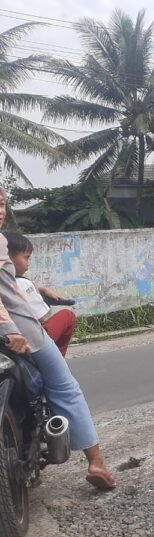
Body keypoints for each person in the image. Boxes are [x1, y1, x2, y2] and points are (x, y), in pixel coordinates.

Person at [0, 188, 115, 489]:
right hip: (20, 331)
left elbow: (8, 283)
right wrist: (9, 328)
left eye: (2, 204)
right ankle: (96, 461)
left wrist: (37, 289)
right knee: (65, 387)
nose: (1, 211)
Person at [5, 232, 77, 357]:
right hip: (29, 340)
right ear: (9, 259)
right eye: (26, 257)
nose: (28, 262)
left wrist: (39, 290)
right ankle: (58, 357)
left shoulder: (5, 283)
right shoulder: (24, 283)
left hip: (6, 339)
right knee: (68, 316)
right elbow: (42, 316)